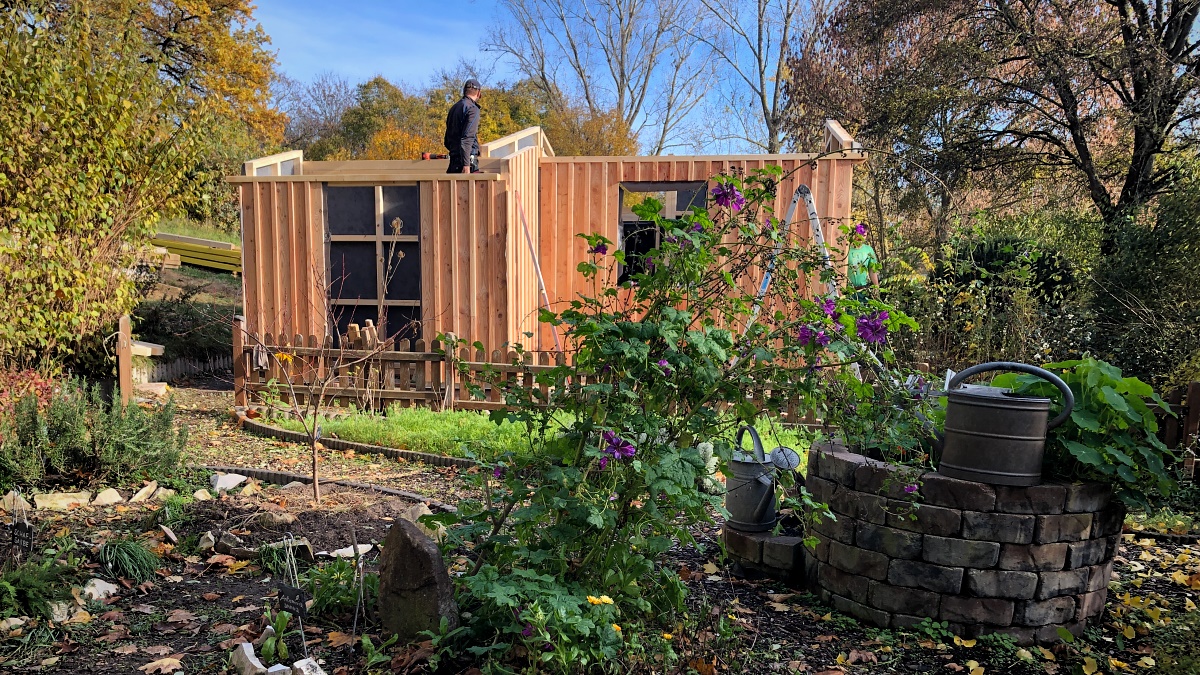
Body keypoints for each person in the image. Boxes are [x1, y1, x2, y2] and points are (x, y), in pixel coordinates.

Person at [444, 79, 482, 174]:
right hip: (467, 163)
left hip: (453, 162)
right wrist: (466, 164)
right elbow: (467, 137)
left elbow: (447, 141)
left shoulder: (454, 108)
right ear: (478, 93)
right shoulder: (472, 109)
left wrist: (455, 152)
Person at [847, 222, 879, 293]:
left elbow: (872, 270)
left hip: (863, 289)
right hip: (847, 290)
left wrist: (876, 287)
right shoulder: (847, 249)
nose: (861, 238)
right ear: (855, 233)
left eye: (864, 235)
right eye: (859, 234)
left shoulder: (868, 250)